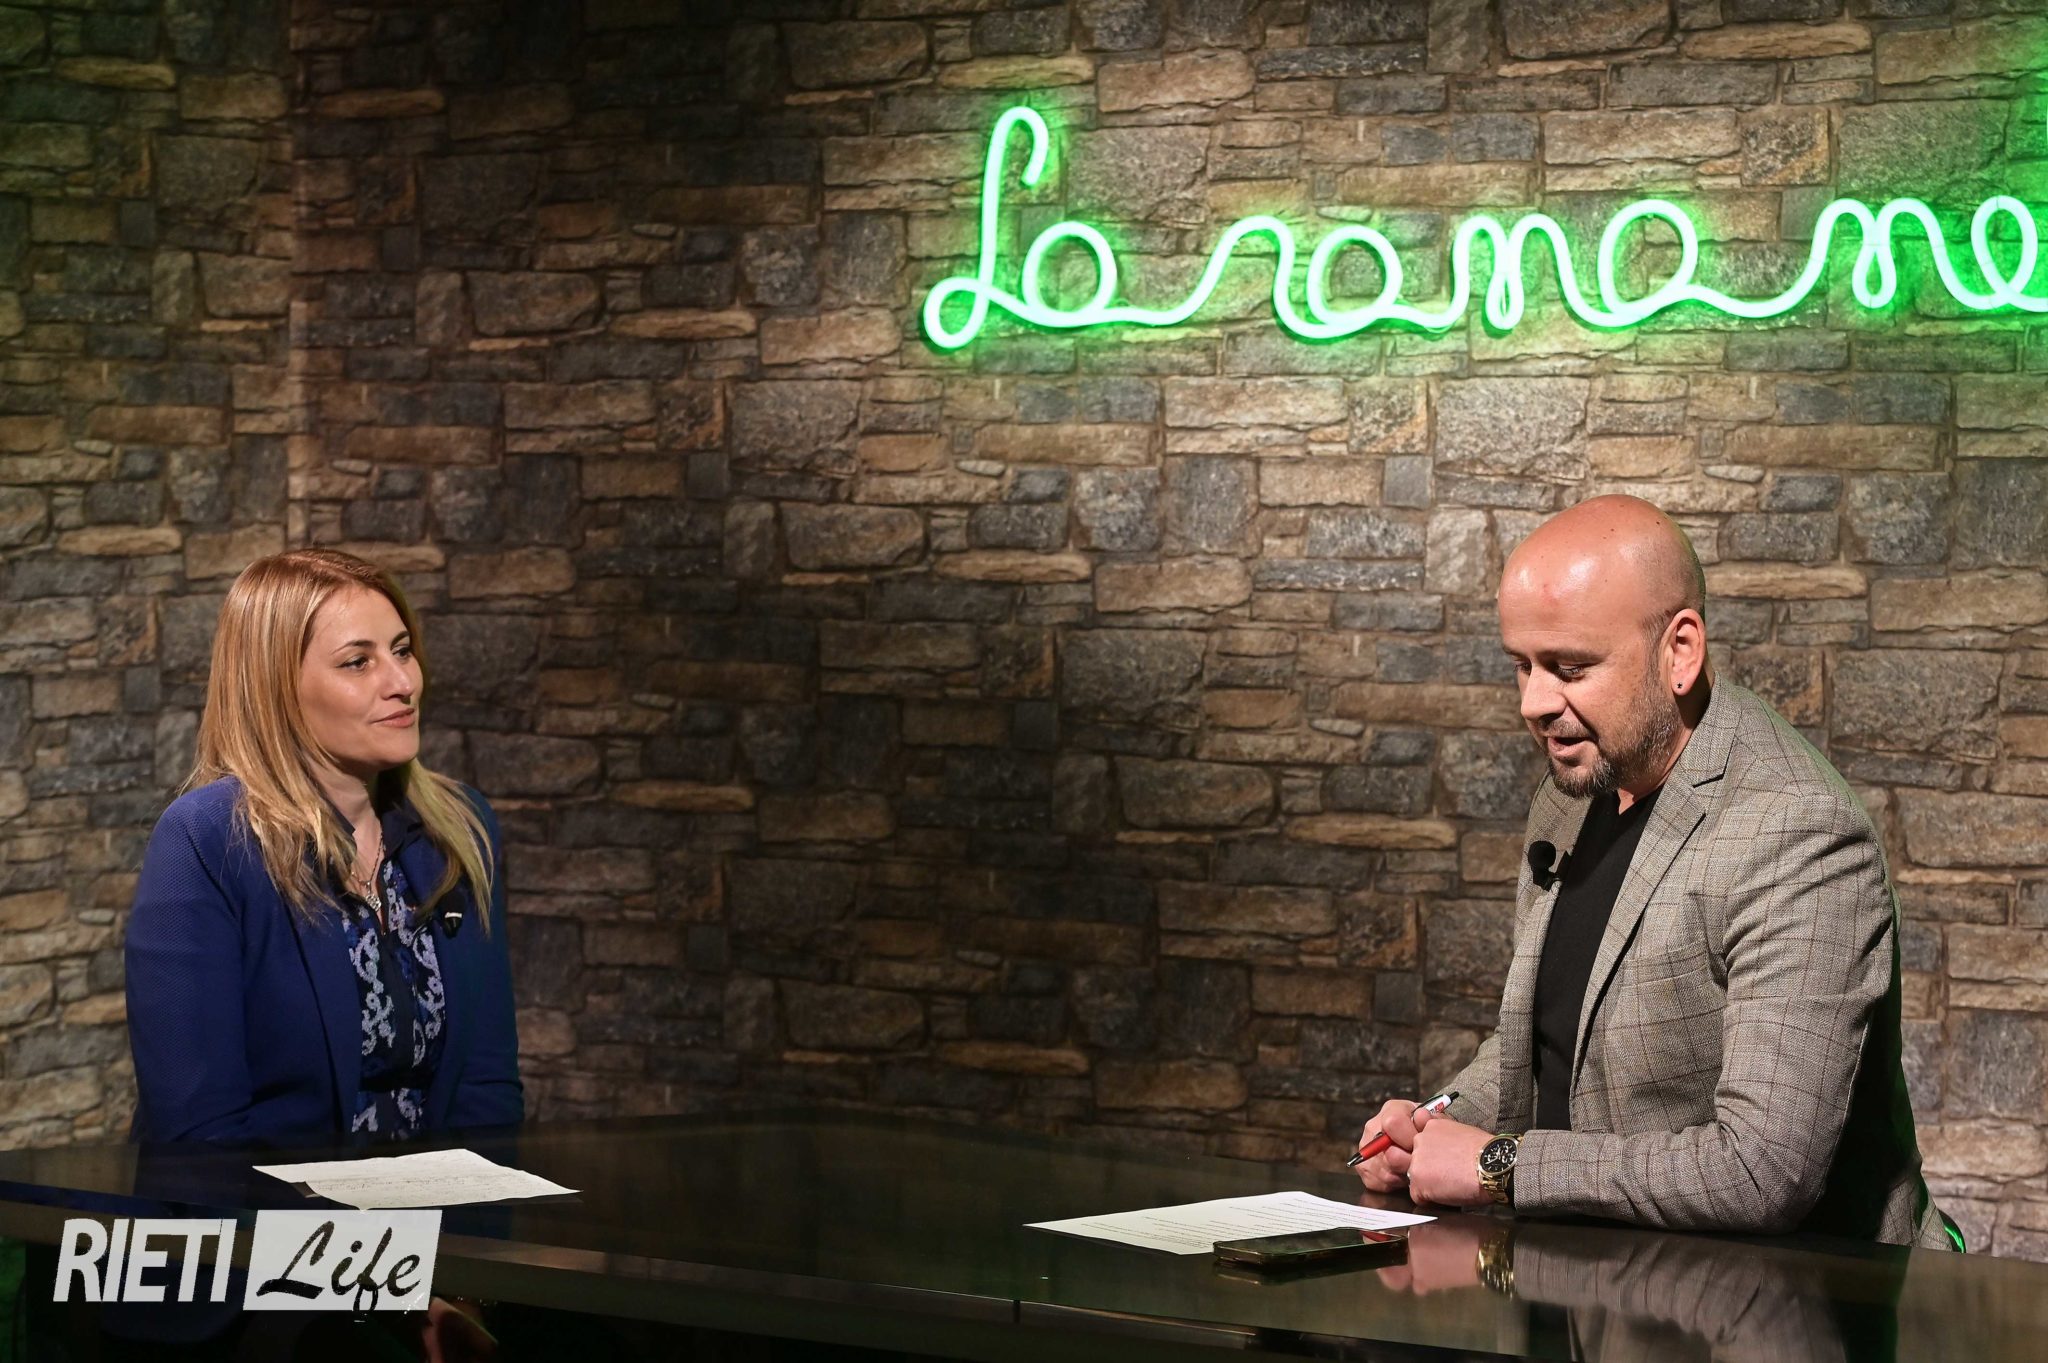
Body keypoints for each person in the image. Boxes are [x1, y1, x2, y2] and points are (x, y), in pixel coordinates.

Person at [1354, 495, 1950, 1249]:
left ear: (1681, 651)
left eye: (1570, 667)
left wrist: (1499, 1165)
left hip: (1793, 1301)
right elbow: (1548, 1038)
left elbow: (1762, 1171)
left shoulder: (1797, 832)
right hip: (1598, 1278)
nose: (1534, 702)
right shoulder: (1572, 793)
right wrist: (1434, 1124)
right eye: (1522, 666)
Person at [126, 548, 521, 1144]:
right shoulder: (206, 841)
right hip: (259, 1200)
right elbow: (198, 1127)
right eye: (358, 662)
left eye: (402, 651)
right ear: (277, 687)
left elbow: (487, 1085)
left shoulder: (461, 828)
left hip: (441, 1201)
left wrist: (473, 1203)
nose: (403, 683)